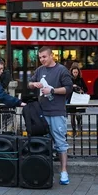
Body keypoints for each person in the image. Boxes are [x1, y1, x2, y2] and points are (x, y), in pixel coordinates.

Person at [28, 46, 74, 185]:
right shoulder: (39, 70)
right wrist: (33, 84)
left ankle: (64, 172)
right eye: (40, 57)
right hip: (42, 113)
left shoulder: (61, 70)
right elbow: (29, 84)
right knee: (44, 143)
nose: (42, 60)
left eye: (44, 57)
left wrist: (52, 90)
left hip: (57, 112)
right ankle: (46, 172)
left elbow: (68, 88)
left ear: (51, 56)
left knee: (60, 142)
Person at [69, 65, 88, 138]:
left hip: (79, 99)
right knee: (72, 116)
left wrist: (81, 90)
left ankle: (79, 125)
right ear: (71, 72)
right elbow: (66, 88)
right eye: (74, 72)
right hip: (71, 99)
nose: (75, 74)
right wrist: (72, 86)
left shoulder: (81, 79)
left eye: (76, 72)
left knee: (78, 115)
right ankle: (74, 131)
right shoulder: (69, 79)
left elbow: (86, 89)